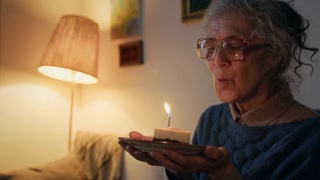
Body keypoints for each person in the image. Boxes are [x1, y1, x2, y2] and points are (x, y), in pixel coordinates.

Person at [118, 0, 320, 179]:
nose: (218, 61)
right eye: (211, 46)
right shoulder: (211, 119)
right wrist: (178, 170)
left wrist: (223, 173)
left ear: (274, 55)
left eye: (233, 46)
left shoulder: (310, 140)